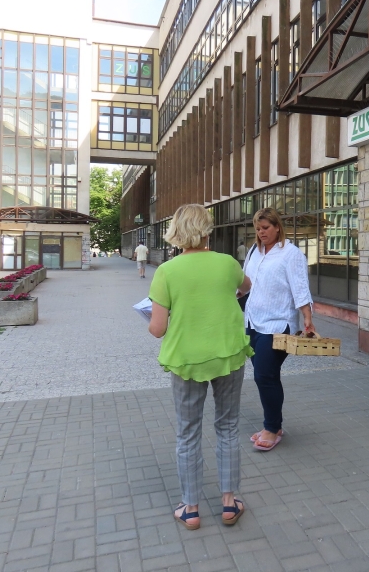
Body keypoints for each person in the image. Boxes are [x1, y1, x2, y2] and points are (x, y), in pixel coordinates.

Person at [148, 204, 253, 530]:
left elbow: (157, 329)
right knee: (228, 426)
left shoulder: (167, 271)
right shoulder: (227, 263)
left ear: (177, 232)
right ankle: (229, 502)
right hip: (228, 354)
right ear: (207, 230)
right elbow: (247, 286)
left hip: (186, 361)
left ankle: (190, 508)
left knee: (188, 431)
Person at [242, 207, 315, 451]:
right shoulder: (254, 251)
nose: (261, 232)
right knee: (268, 376)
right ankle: (274, 425)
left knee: (263, 375)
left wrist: (307, 318)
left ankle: (271, 428)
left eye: (265, 228)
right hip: (253, 322)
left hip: (278, 324)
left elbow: (300, 288)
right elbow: (245, 283)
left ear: (277, 227)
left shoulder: (291, 254)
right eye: (258, 229)